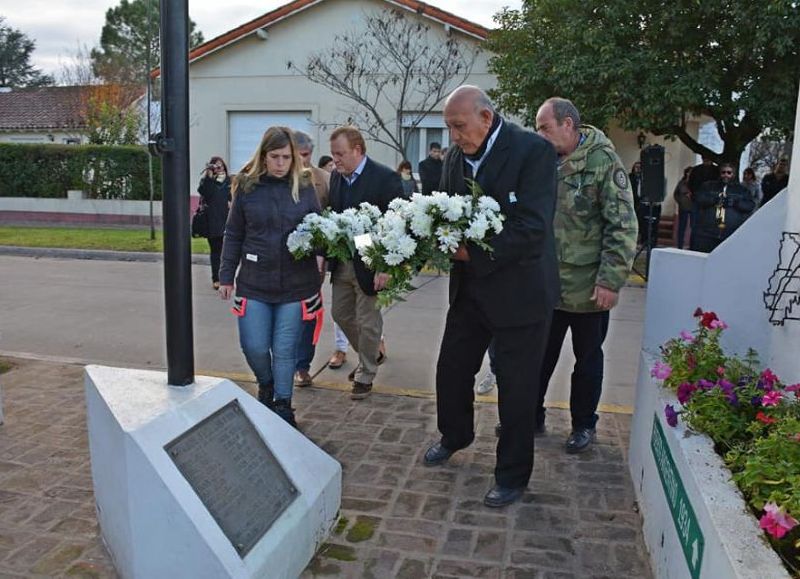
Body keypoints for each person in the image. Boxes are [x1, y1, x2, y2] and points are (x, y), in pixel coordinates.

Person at [422, 86, 559, 508]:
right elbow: (445, 210)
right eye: (448, 128)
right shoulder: (455, 159)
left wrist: (472, 251)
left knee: (517, 390)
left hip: (520, 292)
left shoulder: (533, 152)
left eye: (458, 126)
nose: (453, 137)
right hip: (471, 290)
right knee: (451, 370)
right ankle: (455, 434)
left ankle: (513, 476)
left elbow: (533, 227)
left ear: (485, 117)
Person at [533, 97, 637, 453]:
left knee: (587, 359)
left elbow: (622, 226)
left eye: (545, 127)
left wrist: (610, 279)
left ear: (568, 125)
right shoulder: (544, 161)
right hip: (548, 284)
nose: (540, 135)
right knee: (538, 357)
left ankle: (583, 425)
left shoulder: (603, 162)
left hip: (589, 287)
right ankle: (531, 416)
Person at [218, 127, 321, 427]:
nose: (280, 163)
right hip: (254, 282)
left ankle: (283, 404)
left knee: (286, 348)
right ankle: (266, 382)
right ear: (264, 156)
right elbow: (234, 233)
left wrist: (323, 250)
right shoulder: (247, 186)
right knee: (255, 346)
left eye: (286, 157)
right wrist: (226, 275)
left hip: (296, 284)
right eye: (274, 157)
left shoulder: (304, 186)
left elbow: (317, 228)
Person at [328, 126, 405, 400]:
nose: (335, 160)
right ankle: (372, 354)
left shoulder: (385, 178)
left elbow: (399, 224)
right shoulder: (336, 179)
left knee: (368, 320)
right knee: (340, 313)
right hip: (343, 260)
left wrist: (386, 265)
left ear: (358, 150)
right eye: (333, 154)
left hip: (371, 257)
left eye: (340, 154)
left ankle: (365, 374)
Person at [293, 131, 330, 388]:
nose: (305, 161)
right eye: (301, 155)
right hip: (279, 262)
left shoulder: (324, 179)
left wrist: (321, 254)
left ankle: (302, 366)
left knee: (309, 314)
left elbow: (331, 220)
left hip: (313, 262)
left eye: (308, 155)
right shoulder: (273, 179)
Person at [690, 162, 755, 253]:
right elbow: (698, 198)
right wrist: (713, 200)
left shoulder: (742, 190)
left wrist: (736, 203)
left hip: (730, 234)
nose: (726, 175)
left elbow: (750, 206)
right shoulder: (708, 186)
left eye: (729, 172)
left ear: (733, 174)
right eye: (723, 172)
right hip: (707, 233)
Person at [197, 156, 231, 289]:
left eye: (221, 166)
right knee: (216, 252)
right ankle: (216, 279)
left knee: (226, 252)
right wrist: (209, 177)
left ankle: (226, 278)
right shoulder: (207, 181)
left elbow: (233, 198)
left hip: (226, 221)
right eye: (215, 166)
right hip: (212, 222)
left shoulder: (229, 181)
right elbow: (205, 193)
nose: (219, 168)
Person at [687, 156, 719, 248]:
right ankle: (693, 245)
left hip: (711, 202)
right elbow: (690, 184)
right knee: (695, 225)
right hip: (697, 200)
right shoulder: (696, 170)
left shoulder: (716, 170)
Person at [673, 166, 693, 249]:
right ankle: (680, 245)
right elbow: (676, 194)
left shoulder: (695, 182)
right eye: (688, 172)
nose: (689, 174)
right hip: (683, 207)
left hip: (693, 207)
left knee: (693, 227)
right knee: (682, 226)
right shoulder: (681, 182)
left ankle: (692, 245)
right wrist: (680, 201)